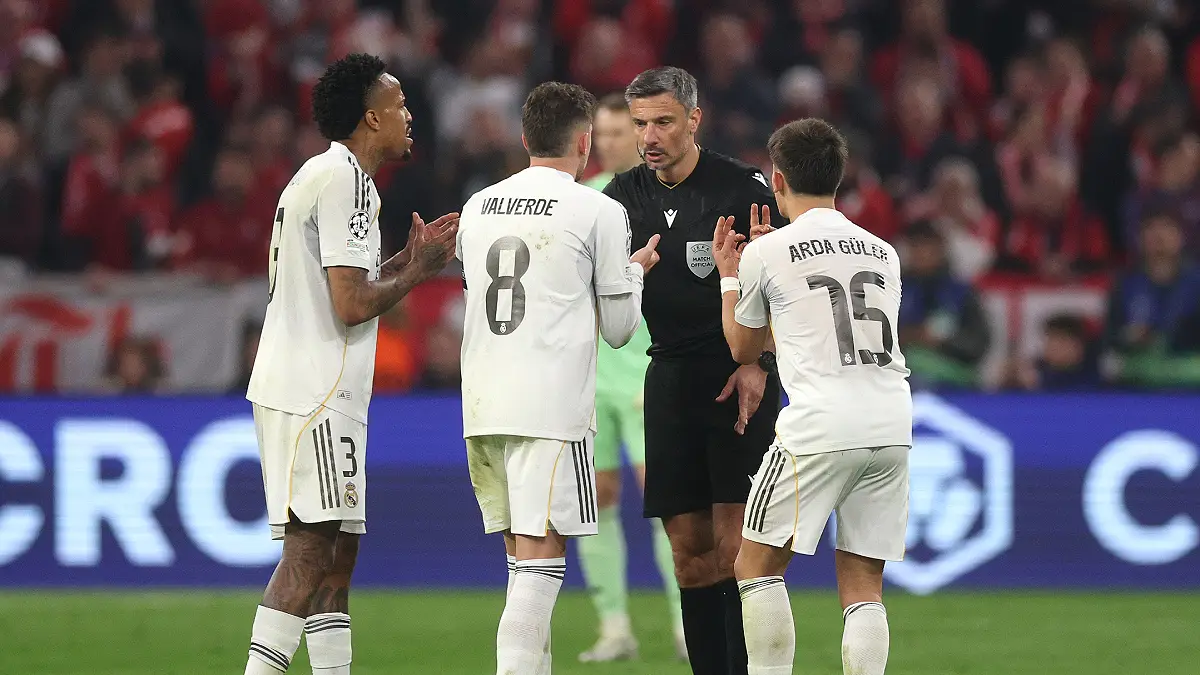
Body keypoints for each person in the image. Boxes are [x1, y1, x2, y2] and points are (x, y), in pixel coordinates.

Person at [242, 53, 460, 675]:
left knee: (338, 551)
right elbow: (350, 303)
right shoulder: (348, 182)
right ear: (371, 117)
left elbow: (345, 285)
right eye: (398, 107)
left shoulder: (324, 174)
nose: (409, 116)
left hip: (313, 382)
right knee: (310, 553)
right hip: (316, 388)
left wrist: (402, 262)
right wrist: (417, 271)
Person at [457, 81, 662, 675]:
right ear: (583, 140)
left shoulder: (478, 205)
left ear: (524, 139)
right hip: (550, 404)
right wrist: (634, 273)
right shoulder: (597, 209)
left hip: (482, 402)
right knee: (544, 560)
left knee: (520, 558)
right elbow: (621, 329)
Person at [712, 118, 912, 675]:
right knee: (864, 584)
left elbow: (742, 348)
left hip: (821, 424)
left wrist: (732, 278)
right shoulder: (882, 251)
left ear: (777, 180)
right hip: (891, 422)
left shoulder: (768, 252)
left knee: (755, 566)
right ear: (839, 178)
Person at [602, 66, 781, 675]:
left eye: (663, 122)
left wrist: (759, 362)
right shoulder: (621, 199)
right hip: (670, 377)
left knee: (738, 546)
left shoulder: (740, 187)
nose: (649, 136)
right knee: (690, 554)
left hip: (738, 378)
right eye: (640, 124)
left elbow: (782, 291)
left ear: (693, 120)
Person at [578, 92, 685, 663]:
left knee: (666, 501)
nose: (614, 142)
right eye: (605, 133)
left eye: (622, 132)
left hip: (648, 373)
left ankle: (682, 623)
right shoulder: (582, 200)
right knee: (597, 499)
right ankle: (614, 625)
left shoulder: (663, 199)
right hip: (592, 378)